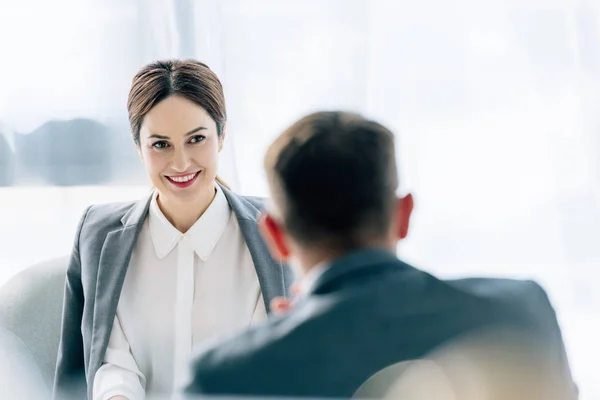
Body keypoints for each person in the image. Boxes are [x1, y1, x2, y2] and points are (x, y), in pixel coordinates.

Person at [183, 111, 578, 399]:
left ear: (275, 235)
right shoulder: (522, 310)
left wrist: (282, 342)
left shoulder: (223, 377)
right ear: (403, 214)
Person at [53, 60, 293, 400]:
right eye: (160, 144)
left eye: (196, 139)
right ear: (138, 147)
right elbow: (103, 362)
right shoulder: (97, 232)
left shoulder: (278, 227)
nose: (180, 163)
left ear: (222, 136)